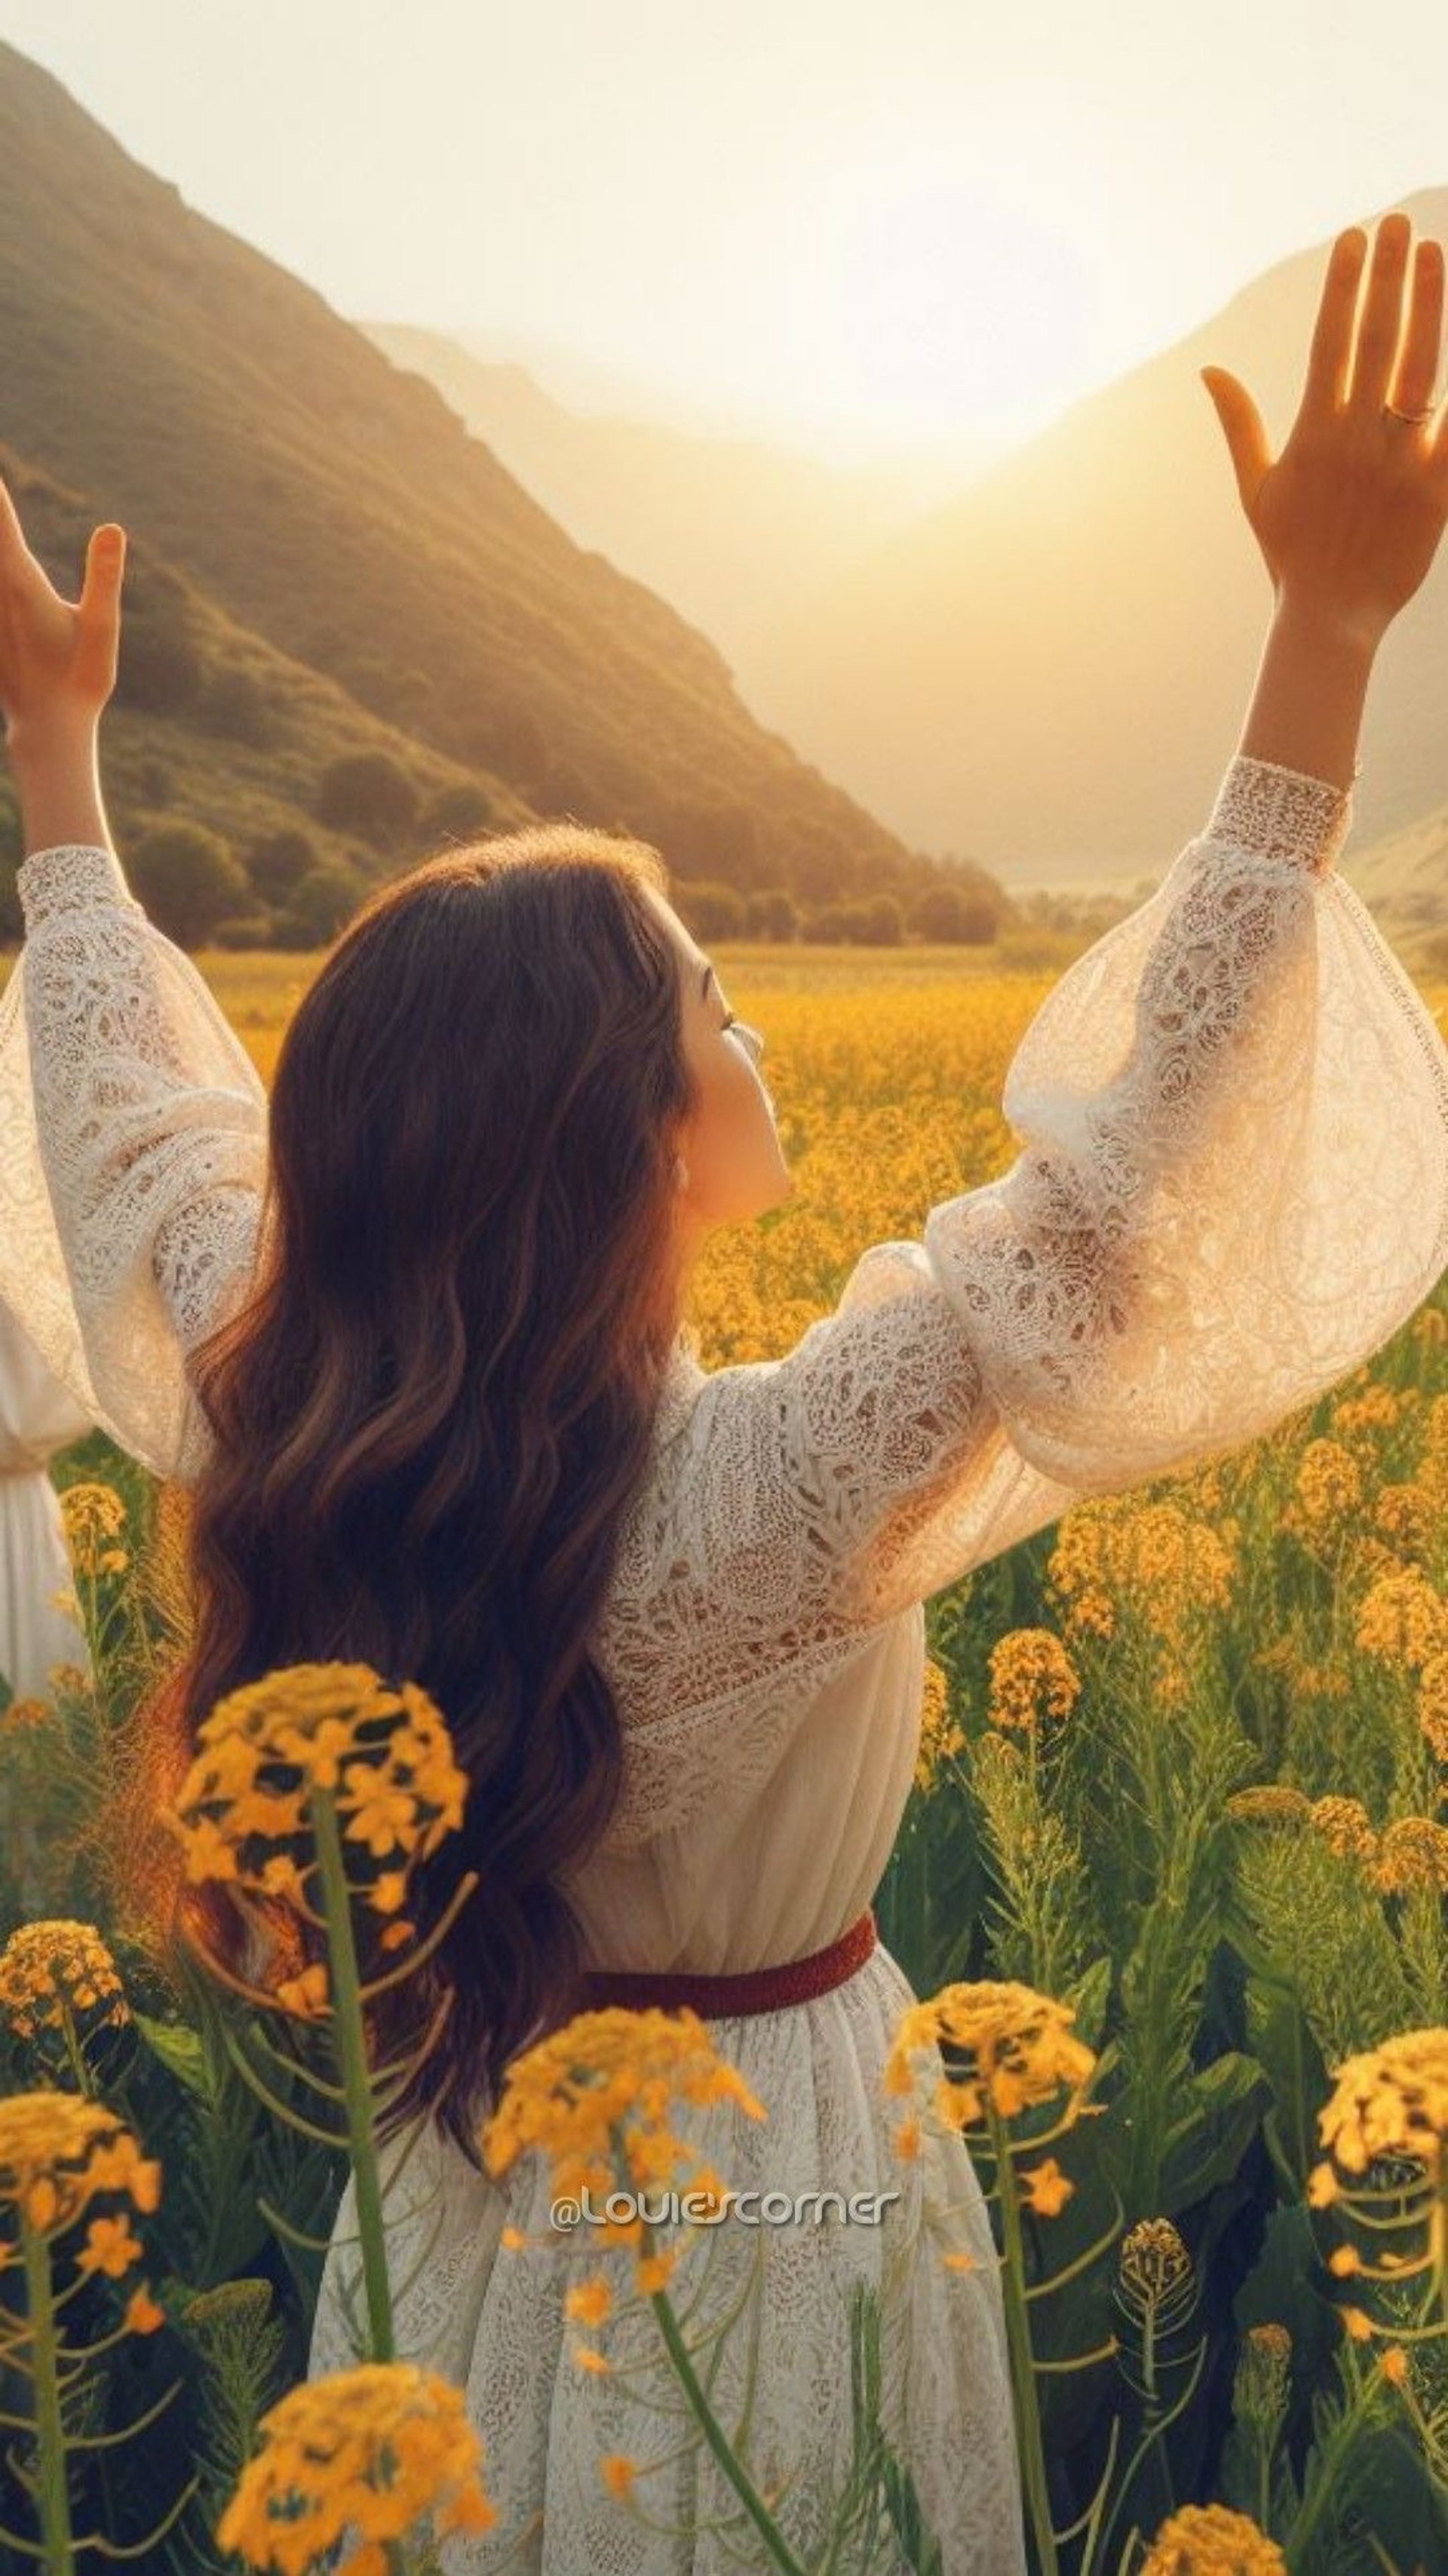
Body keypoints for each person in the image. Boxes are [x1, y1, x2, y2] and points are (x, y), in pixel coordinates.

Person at [0, 208, 1446, 2574]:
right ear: (626, 1134)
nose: (750, 1025)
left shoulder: (290, 1403)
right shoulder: (779, 1486)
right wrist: (1323, 647)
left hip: (463, 2189)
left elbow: (133, 1144)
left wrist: (59, 771)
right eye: (709, 1000)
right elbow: (1109, 1204)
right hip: (787, 2184)